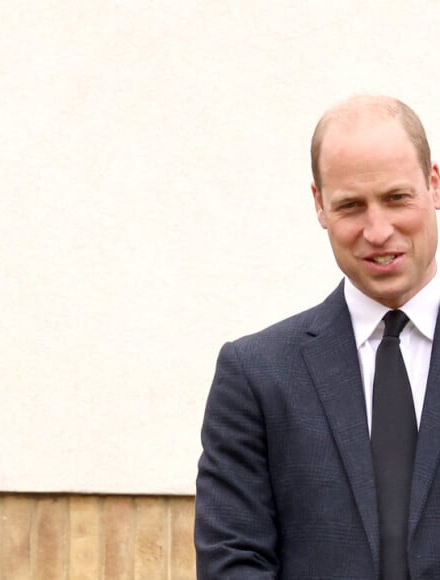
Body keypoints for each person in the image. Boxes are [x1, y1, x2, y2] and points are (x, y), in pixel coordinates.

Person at [195, 95, 440, 579]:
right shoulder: (255, 375)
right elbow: (233, 561)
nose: (377, 230)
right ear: (319, 205)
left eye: (396, 198)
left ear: (434, 184)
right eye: (351, 205)